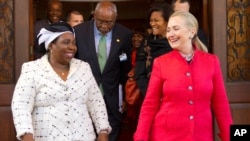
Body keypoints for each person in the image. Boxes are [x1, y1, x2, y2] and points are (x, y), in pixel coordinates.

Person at [134, 11, 233, 141]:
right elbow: (149, 105)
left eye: (176, 29)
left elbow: (221, 105)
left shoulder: (211, 62)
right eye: (168, 30)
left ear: (192, 31)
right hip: (166, 135)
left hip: (201, 136)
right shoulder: (161, 62)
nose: (170, 34)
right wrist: (140, 137)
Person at [11, 22, 111, 141]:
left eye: (74, 43)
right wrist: (27, 135)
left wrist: (103, 132)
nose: (72, 47)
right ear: (51, 45)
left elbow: (96, 103)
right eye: (66, 42)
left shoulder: (83, 68)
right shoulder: (32, 69)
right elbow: (20, 106)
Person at [73, 1, 132, 141]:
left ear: (116, 18)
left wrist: (124, 96)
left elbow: (125, 68)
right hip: (83, 99)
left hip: (111, 99)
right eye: (100, 21)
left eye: (109, 22)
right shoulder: (79, 32)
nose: (105, 26)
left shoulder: (125, 34)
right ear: (94, 16)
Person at [135, 3, 173, 97]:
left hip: (173, 96)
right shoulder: (146, 43)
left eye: (156, 20)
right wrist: (151, 94)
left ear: (167, 22)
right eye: (151, 20)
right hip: (150, 95)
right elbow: (140, 74)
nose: (152, 24)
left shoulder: (175, 43)